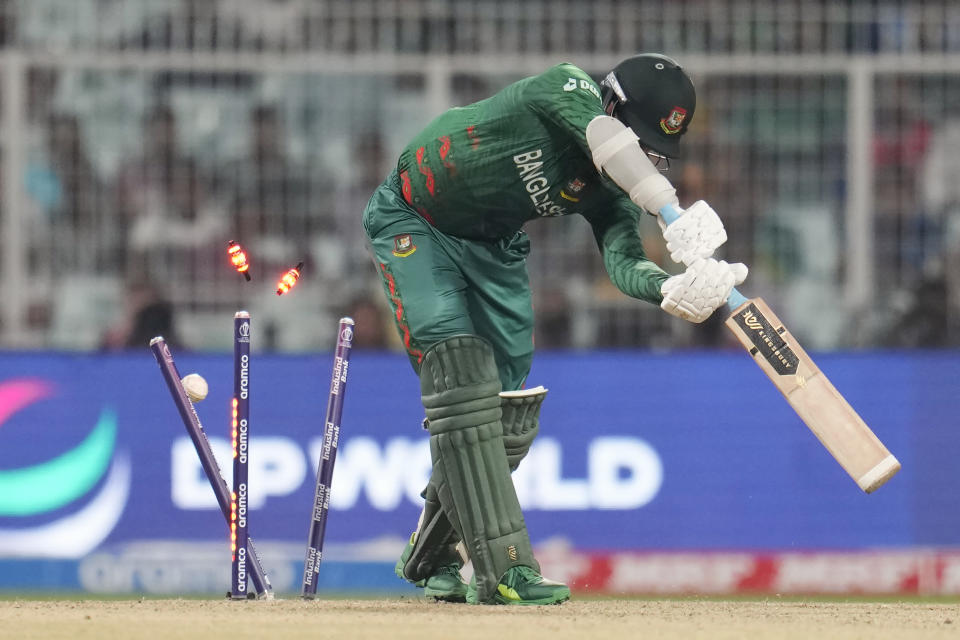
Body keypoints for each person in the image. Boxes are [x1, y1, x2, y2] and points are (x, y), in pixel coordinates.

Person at [361, 54, 746, 605]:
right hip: (415, 217)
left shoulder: (614, 186)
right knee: (461, 371)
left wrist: (666, 288)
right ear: (612, 103)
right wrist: (670, 210)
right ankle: (506, 572)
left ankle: (430, 553)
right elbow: (604, 136)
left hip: (493, 247)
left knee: (508, 409)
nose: (645, 156)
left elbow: (623, 261)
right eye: (639, 138)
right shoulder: (564, 87)